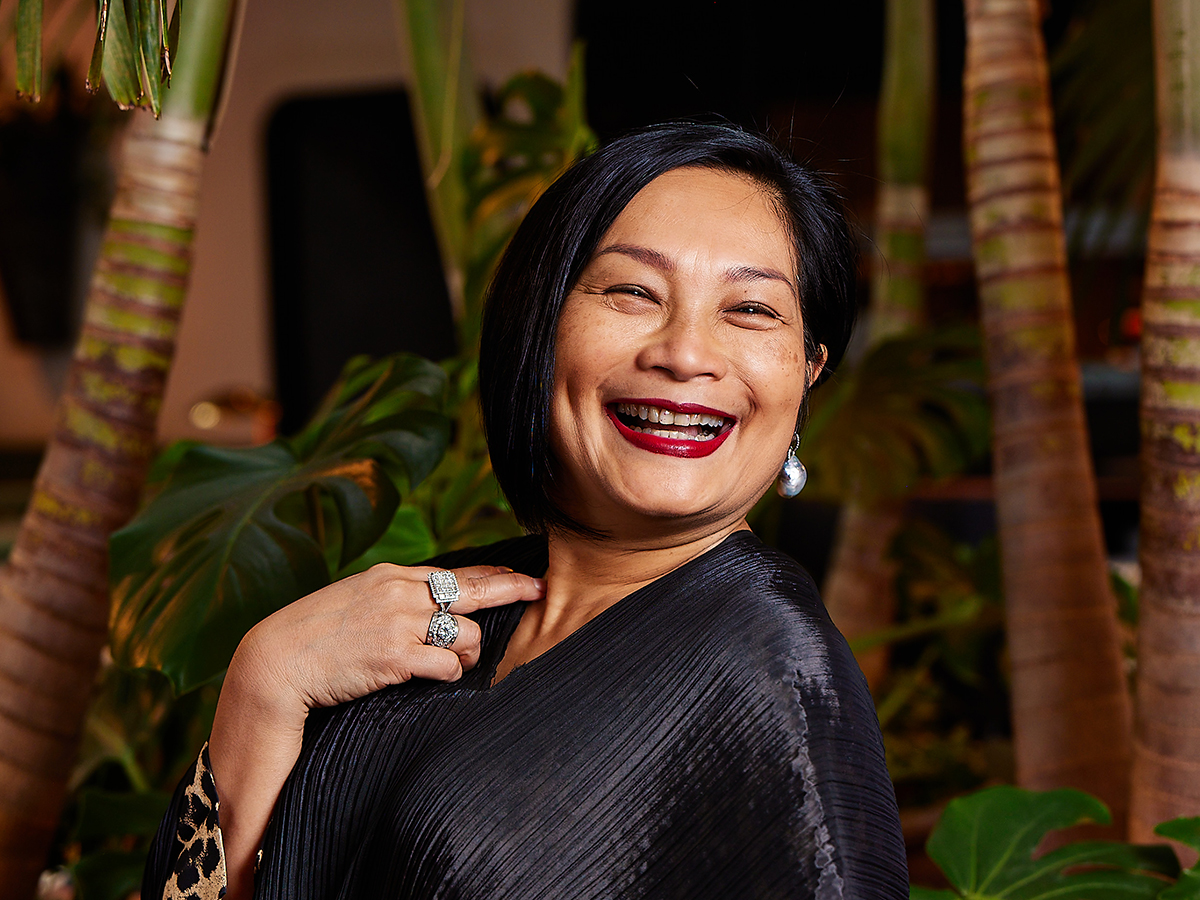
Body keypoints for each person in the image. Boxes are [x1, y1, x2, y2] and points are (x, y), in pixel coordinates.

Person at [143, 122, 908, 900]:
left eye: (750, 310)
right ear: (540, 327)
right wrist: (264, 684)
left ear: (808, 370)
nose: (685, 354)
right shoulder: (426, 609)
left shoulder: (769, 671)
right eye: (634, 292)